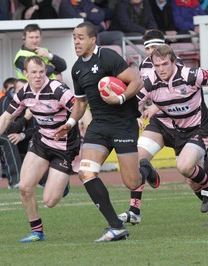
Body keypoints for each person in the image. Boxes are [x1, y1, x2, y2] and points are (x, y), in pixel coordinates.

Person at [118, 30, 208, 226]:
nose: (159, 67)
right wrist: (130, 112)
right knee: (137, 159)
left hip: (198, 129)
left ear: (173, 59)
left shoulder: (188, 74)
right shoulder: (148, 77)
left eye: (162, 61)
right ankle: (135, 210)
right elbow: (134, 100)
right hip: (164, 124)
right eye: (152, 55)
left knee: (189, 172)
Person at [55, 22, 159, 242]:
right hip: (99, 127)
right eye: (74, 37)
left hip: (123, 124)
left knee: (131, 182)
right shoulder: (76, 68)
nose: (76, 42)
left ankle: (145, 169)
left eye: (81, 37)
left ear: (93, 40)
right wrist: (71, 123)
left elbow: (137, 81)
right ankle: (116, 226)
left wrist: (119, 98)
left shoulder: (108, 57)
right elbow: (81, 104)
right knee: (86, 173)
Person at [0, 56, 80, 242]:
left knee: (49, 201)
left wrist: (80, 126)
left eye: (41, 72)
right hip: (41, 142)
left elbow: (80, 107)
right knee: (24, 187)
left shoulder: (57, 89)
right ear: (26, 74)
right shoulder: (23, 92)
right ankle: (37, 232)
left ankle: (62, 183)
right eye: (34, 73)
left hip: (64, 146)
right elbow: (7, 116)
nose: (38, 76)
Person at [0, 79, 36, 189]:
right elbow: (8, 129)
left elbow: (34, 128)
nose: (25, 93)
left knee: (36, 141)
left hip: (13, 134)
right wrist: (25, 118)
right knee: (7, 142)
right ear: (14, 90)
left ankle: (41, 180)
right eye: (21, 90)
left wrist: (22, 135)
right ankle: (15, 182)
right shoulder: (7, 102)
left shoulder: (31, 102)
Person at [58, 0, 125, 48]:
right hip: (78, 37)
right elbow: (80, 23)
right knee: (92, 34)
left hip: (97, 32)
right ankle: (96, 62)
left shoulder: (86, 2)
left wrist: (86, 15)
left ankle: (113, 61)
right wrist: (93, 19)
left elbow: (101, 15)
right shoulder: (65, 3)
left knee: (119, 36)